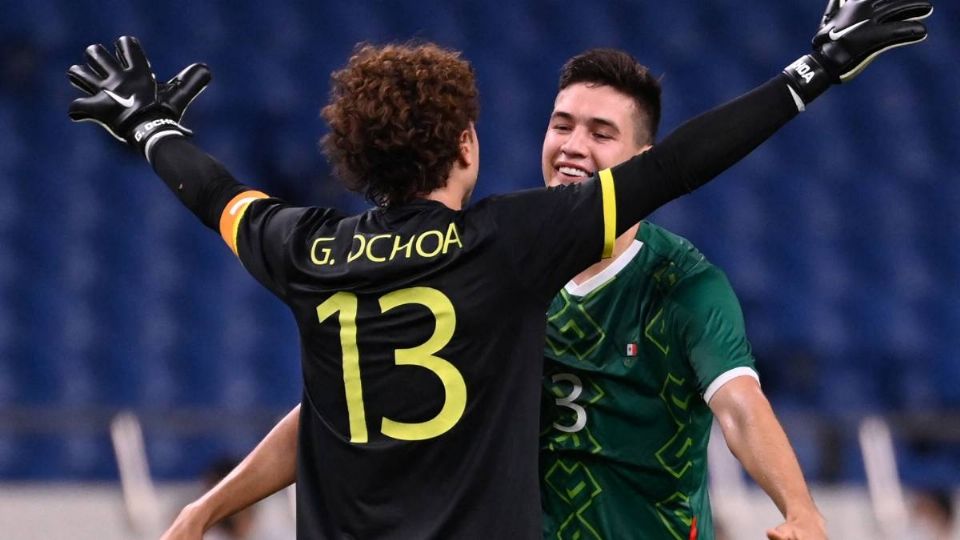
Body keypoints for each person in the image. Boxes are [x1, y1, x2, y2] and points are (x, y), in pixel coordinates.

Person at [65, 2, 931, 537]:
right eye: (566, 126)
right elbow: (678, 169)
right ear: (470, 145)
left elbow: (218, 197)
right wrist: (816, 69)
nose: (575, 148)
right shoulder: (510, 246)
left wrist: (149, 128)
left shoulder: (307, 249)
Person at [537, 49, 824, 540]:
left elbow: (739, 406)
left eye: (601, 133)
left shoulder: (683, 283)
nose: (573, 146)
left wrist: (801, 511)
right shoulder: (508, 264)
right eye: (562, 126)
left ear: (642, 164)